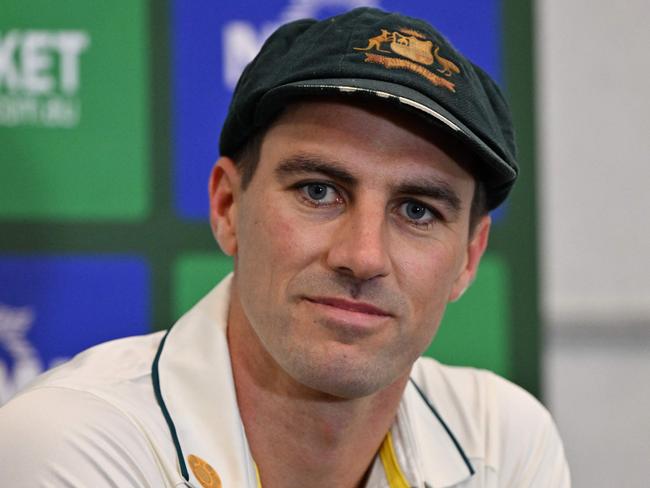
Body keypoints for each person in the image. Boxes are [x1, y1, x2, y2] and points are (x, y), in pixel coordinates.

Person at [0, 7, 570, 487]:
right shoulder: (72, 447)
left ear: (468, 259)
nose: (363, 256)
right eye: (319, 191)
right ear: (227, 207)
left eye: (418, 210)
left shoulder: (504, 442)